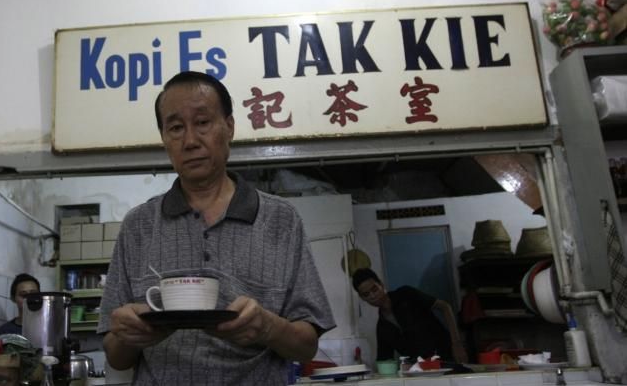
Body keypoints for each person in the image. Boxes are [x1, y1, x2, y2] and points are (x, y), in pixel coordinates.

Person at [97, 71, 336, 385]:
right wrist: (130, 335)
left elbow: (306, 347)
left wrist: (268, 327)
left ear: (230, 127)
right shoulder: (138, 226)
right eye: (176, 127)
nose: (191, 141)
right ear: (164, 138)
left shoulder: (281, 219)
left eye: (203, 122)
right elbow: (115, 356)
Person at [351, 267, 468, 364]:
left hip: (447, 357)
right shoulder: (382, 328)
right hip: (421, 373)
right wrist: (363, 365)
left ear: (381, 284)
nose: (372, 296)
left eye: (374, 289)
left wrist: (457, 344)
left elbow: (445, 306)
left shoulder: (406, 294)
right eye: (366, 294)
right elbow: (384, 363)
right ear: (362, 298)